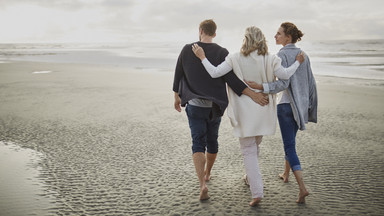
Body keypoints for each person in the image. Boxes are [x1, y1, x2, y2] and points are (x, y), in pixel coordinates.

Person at [192, 26, 304, 206]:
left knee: (249, 151)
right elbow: (285, 75)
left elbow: (214, 73)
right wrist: (298, 62)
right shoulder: (271, 58)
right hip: (263, 110)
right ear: (262, 39)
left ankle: (257, 192)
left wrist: (202, 57)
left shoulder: (235, 57)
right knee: (255, 146)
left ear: (246, 39)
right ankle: (250, 178)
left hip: (244, 113)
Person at [172, 19, 269, 201]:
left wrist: (176, 96)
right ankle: (208, 172)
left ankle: (203, 184)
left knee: (197, 142)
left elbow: (179, 73)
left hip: (194, 105)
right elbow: (231, 79)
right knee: (212, 141)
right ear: (214, 33)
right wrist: (253, 95)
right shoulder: (222, 52)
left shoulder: (187, 49)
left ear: (200, 30)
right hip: (214, 106)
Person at [246, 22, 318, 204]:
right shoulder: (304, 55)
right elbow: (311, 83)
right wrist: (310, 106)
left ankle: (302, 188)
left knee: (289, 147)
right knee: (291, 142)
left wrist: (262, 87)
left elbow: (283, 84)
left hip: (286, 107)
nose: (275, 36)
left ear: (288, 37)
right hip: (300, 107)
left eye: (279, 34)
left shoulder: (282, 55)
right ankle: (286, 174)